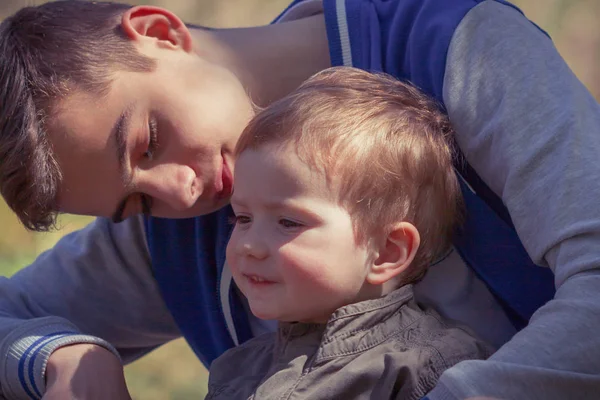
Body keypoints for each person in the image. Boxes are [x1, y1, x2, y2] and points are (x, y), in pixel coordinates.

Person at [0, 0, 598, 399]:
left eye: (148, 141)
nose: (180, 193)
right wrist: (63, 355)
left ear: (159, 32)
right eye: (136, 204)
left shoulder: (455, 49)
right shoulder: (177, 224)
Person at [205, 66, 493, 399]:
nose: (250, 246)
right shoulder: (237, 370)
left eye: (288, 222)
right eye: (242, 218)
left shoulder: (426, 367)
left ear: (386, 251)